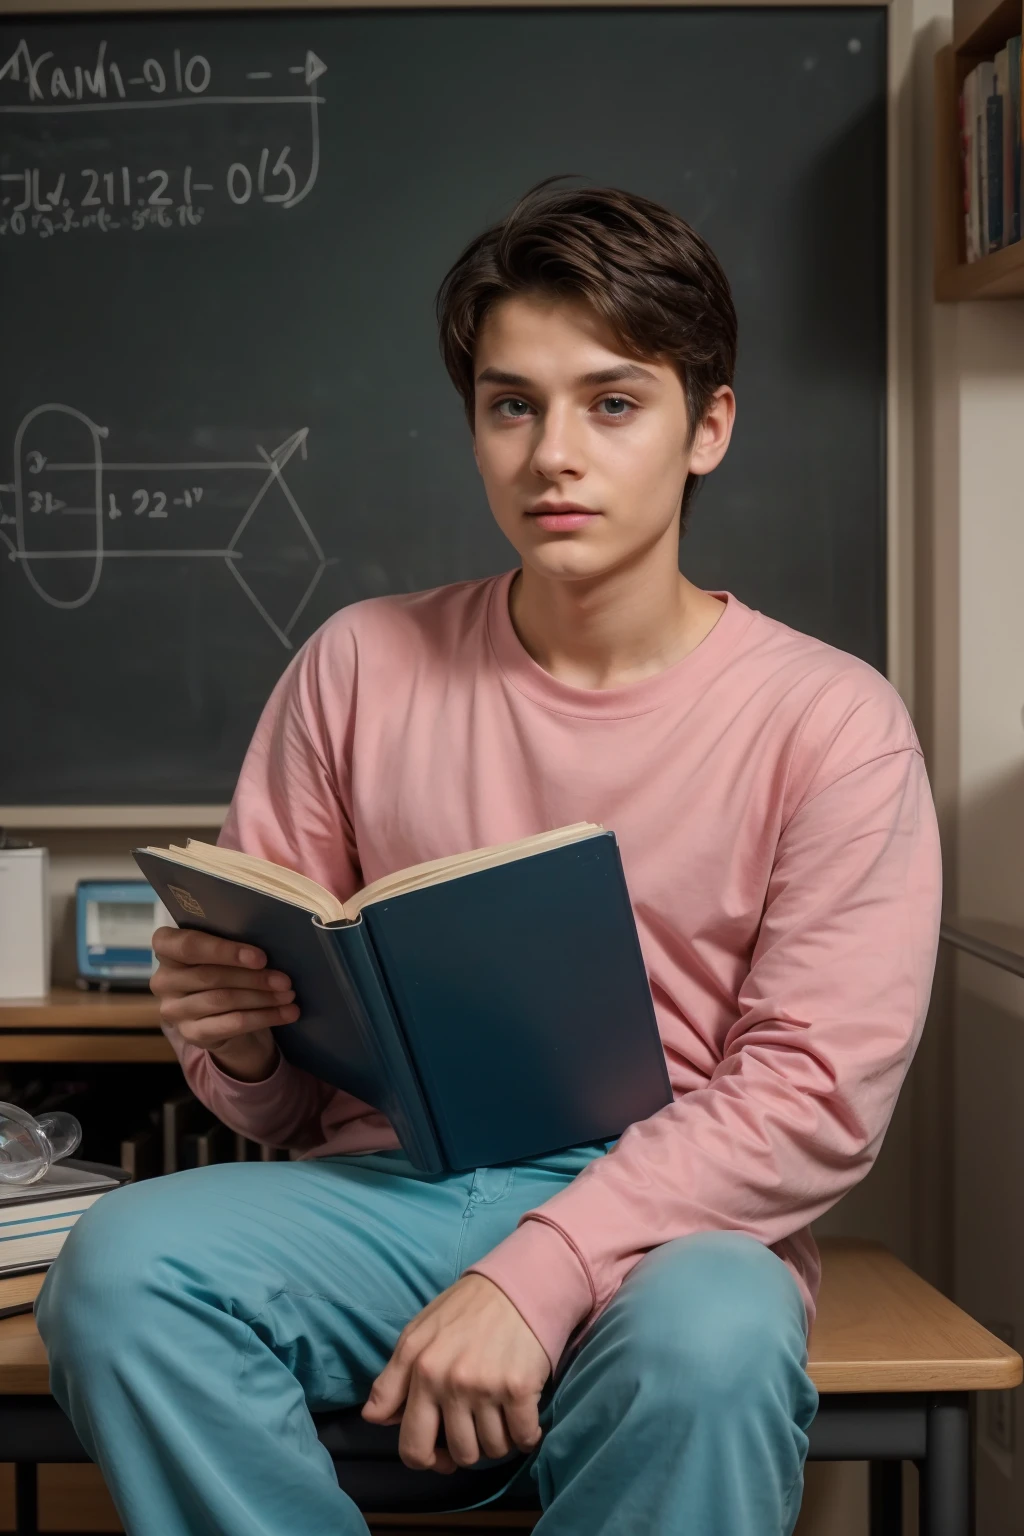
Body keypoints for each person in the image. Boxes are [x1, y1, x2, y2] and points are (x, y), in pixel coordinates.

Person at [35, 178, 942, 1536]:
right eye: (511, 405)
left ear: (710, 427)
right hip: (386, 1198)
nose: (551, 456)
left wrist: (539, 1269)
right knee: (117, 1270)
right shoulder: (356, 663)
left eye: (612, 402)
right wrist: (238, 1044)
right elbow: (278, 1114)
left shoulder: (833, 720)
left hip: (671, 1229)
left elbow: (814, 1097)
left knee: (714, 1347)